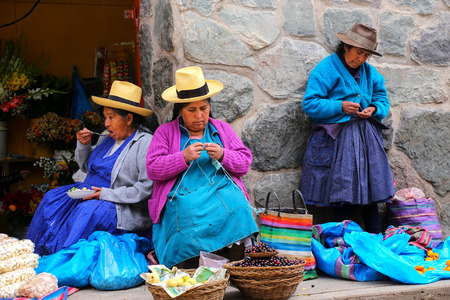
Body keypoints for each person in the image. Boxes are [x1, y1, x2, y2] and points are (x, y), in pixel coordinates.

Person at [146, 66, 259, 268]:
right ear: (180, 110)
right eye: (192, 110)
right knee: (187, 211)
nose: (199, 115)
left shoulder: (221, 129)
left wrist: (224, 154)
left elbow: (244, 162)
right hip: (183, 194)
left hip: (219, 190)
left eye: (203, 108)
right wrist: (182, 157)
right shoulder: (165, 132)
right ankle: (190, 265)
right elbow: (153, 168)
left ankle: (236, 265)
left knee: (238, 206)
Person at [26, 81, 154, 256]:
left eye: (111, 117)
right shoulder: (106, 137)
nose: (106, 123)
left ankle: (62, 262)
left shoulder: (144, 142)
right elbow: (86, 166)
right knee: (52, 198)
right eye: (105, 117)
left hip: (114, 204)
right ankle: (33, 256)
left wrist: (105, 194)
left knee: (85, 212)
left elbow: (145, 189)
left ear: (129, 118)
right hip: (86, 192)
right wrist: (83, 145)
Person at [300, 23, 395, 233]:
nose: (360, 59)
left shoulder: (370, 73)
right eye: (358, 53)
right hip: (337, 140)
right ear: (346, 47)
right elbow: (310, 104)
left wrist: (374, 108)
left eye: (366, 55)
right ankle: (342, 249)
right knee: (342, 193)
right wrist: (339, 106)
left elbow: (382, 97)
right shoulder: (326, 69)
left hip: (365, 140)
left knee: (370, 193)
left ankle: (375, 244)